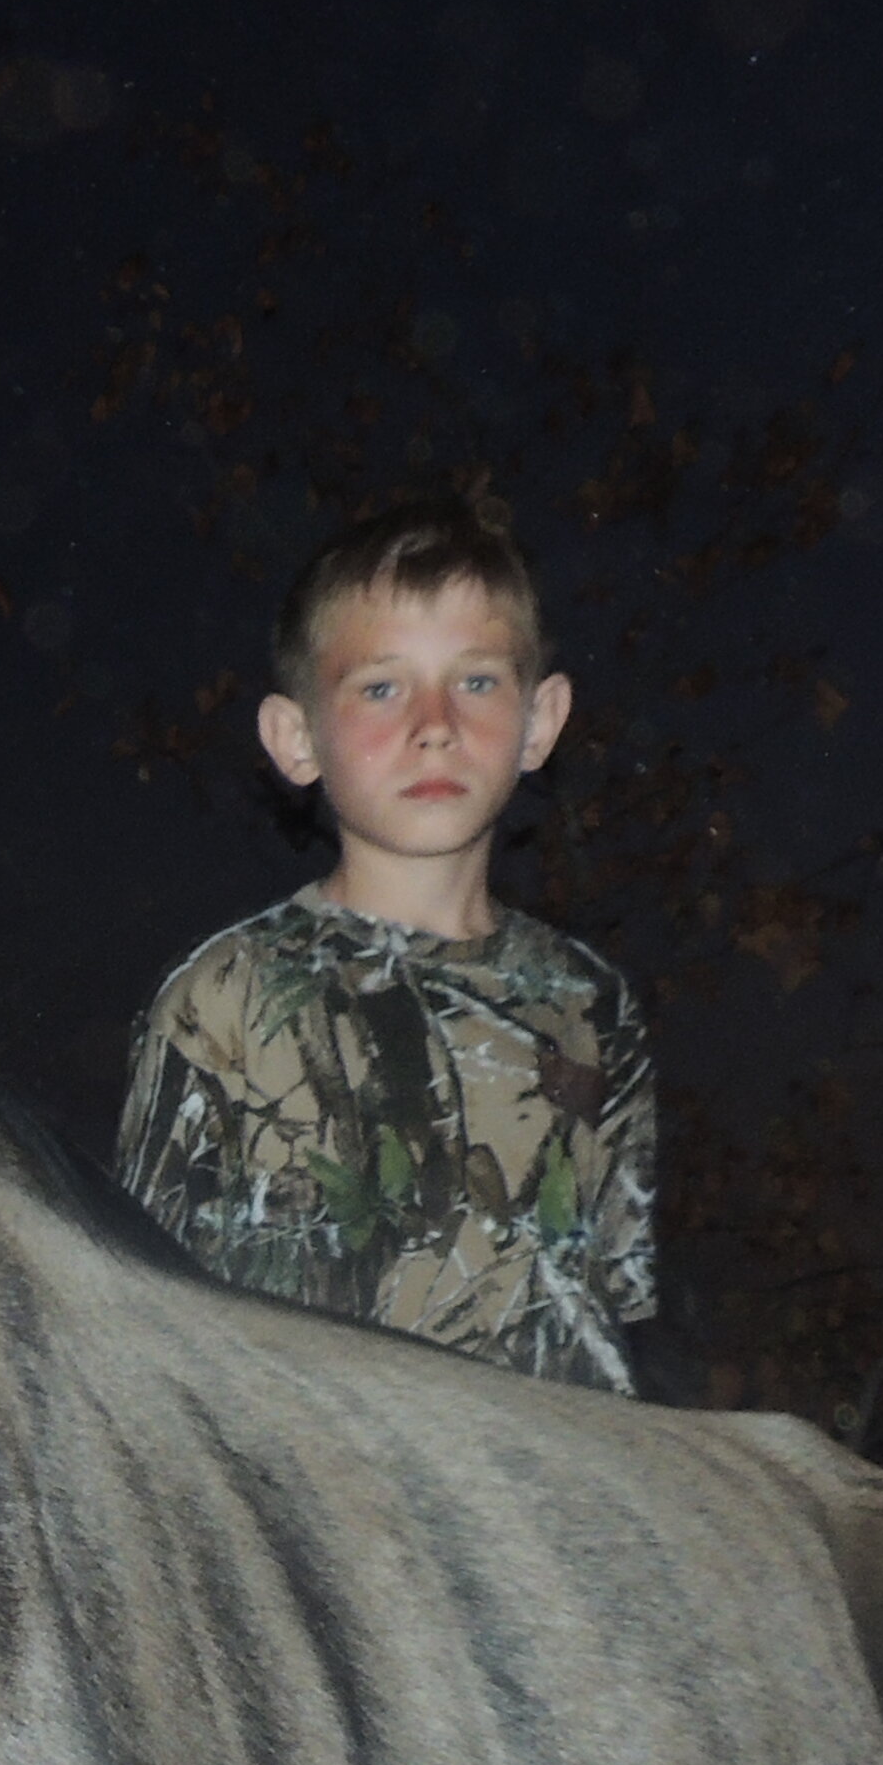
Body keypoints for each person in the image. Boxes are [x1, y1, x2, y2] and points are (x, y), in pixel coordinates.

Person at [113, 490, 658, 1392]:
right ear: (297, 739)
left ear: (542, 721)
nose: (435, 723)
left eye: (477, 680)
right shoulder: (222, 999)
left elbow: (614, 1330)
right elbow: (144, 1338)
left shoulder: (592, 1007)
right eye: (381, 686)